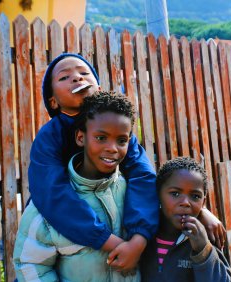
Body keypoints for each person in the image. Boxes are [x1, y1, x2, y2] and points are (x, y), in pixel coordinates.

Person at [27, 53, 225, 273]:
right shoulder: (49, 136)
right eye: (65, 77)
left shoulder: (119, 130)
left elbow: (145, 177)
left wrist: (140, 240)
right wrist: (113, 243)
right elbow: (52, 194)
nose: (77, 78)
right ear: (53, 102)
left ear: (99, 89)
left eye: (84, 73)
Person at [14, 92, 142, 281]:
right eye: (101, 138)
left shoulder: (132, 192)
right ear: (81, 138)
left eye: (121, 140)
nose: (112, 148)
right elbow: (31, 265)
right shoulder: (50, 205)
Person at [140, 157, 231, 282]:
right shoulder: (142, 234)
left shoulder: (204, 237)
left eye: (195, 196)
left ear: (203, 202)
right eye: (175, 194)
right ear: (158, 195)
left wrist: (203, 250)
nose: (185, 203)